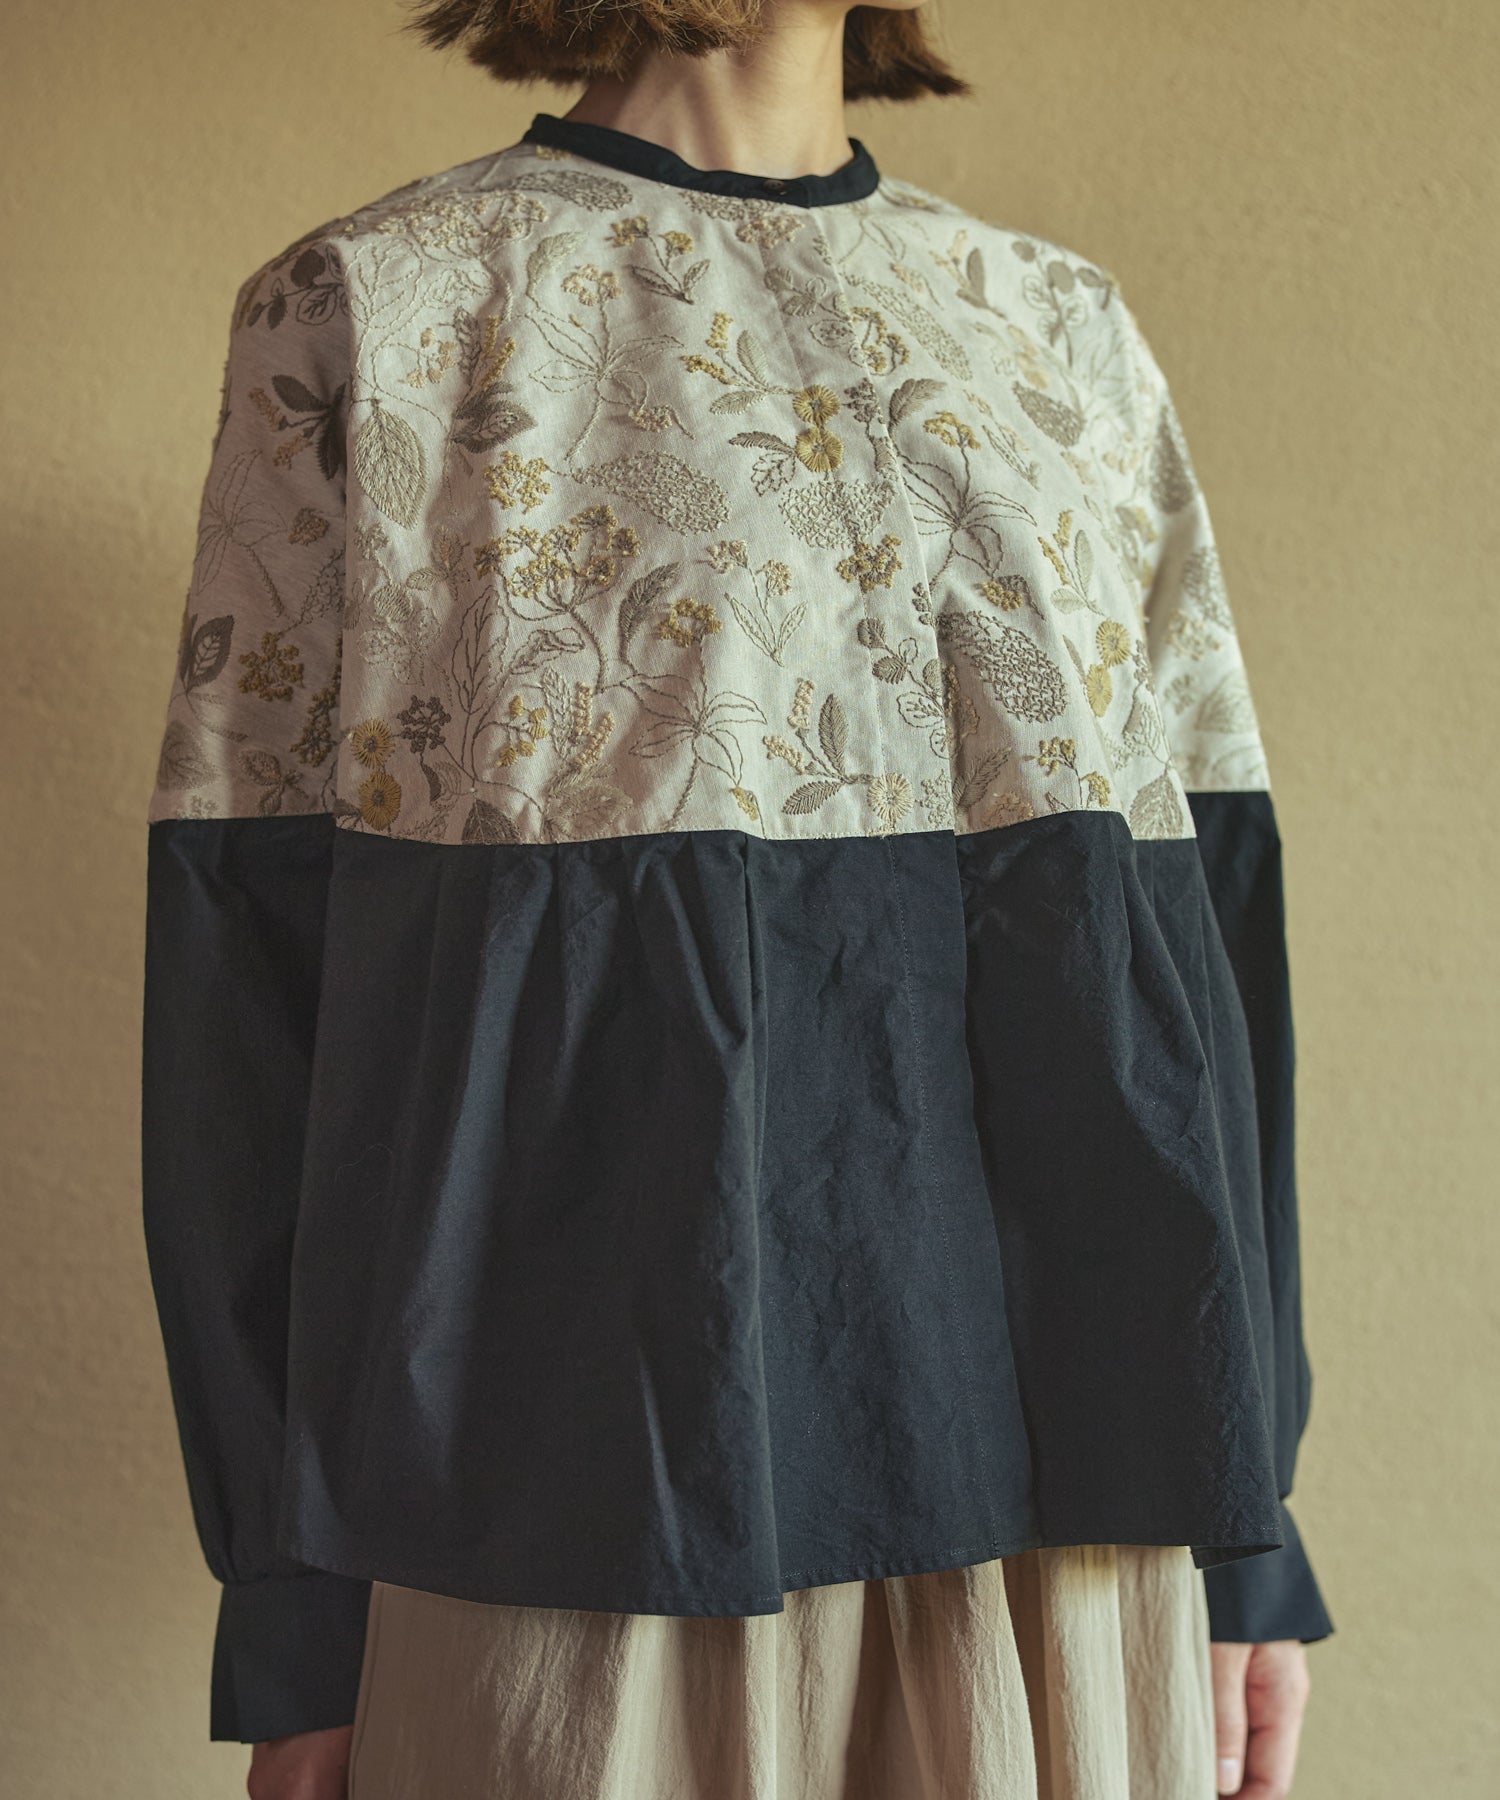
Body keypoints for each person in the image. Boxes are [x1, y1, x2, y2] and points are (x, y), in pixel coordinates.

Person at [138, 3, 1333, 1796]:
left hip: (1082, 1508)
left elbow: (1198, 926)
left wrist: (1250, 1519)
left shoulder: (1058, 328)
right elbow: (247, 961)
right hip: (569, 1503)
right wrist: (292, 1603)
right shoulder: (378, 304)